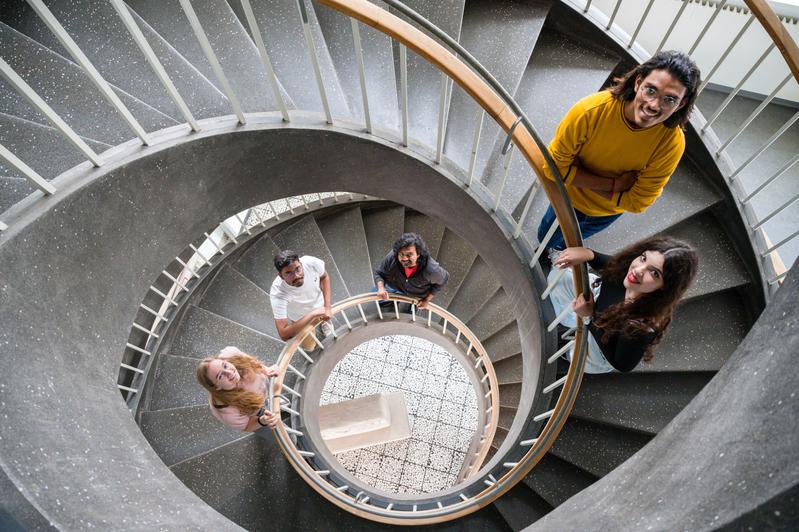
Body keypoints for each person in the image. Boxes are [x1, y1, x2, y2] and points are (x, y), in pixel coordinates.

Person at [537, 50, 701, 254]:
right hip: (569, 197)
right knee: (544, 236)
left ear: (681, 104)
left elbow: (637, 203)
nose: (653, 105)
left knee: (568, 241)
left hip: (606, 212)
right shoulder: (591, 111)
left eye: (669, 99)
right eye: (651, 90)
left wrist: (574, 174)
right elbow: (551, 170)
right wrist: (616, 185)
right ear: (638, 82)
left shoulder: (672, 144)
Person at [547, 236, 698, 374]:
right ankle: (570, 321)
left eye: (654, 273)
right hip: (597, 305)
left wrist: (588, 317)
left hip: (601, 345)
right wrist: (589, 254)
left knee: (577, 355)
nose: (637, 270)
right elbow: (613, 264)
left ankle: (568, 352)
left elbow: (622, 365)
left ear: (665, 287)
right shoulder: (630, 273)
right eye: (643, 258)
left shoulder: (641, 326)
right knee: (561, 277)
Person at [196, 346, 280, 431]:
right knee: (288, 436)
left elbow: (251, 361)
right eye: (220, 376)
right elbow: (247, 426)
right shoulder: (228, 411)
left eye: (225, 365)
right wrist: (262, 420)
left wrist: (266, 369)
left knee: (273, 400)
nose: (229, 372)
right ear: (216, 387)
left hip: (264, 390)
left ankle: (270, 401)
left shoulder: (231, 355)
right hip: (256, 412)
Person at [270, 250, 334, 351]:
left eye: (297, 269)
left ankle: (324, 323)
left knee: (325, 318)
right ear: (281, 276)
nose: (296, 276)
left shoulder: (311, 263)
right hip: (300, 319)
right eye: (288, 273)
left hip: (321, 306)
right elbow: (284, 334)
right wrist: (313, 314)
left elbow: (324, 276)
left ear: (301, 264)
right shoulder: (278, 293)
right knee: (309, 347)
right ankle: (310, 347)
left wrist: (327, 306)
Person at [374, 233, 449, 309]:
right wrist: (381, 288)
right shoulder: (392, 257)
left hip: (416, 295)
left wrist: (426, 300)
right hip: (395, 286)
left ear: (418, 254)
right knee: (380, 300)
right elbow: (379, 273)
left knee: (410, 314)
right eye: (401, 254)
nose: (404, 258)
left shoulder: (431, 270)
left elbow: (443, 280)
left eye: (409, 255)